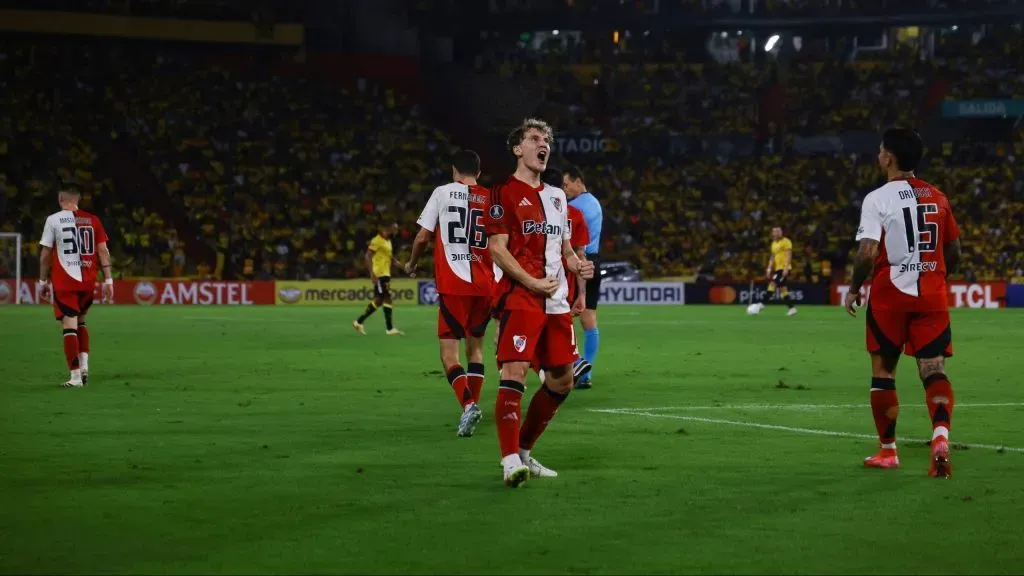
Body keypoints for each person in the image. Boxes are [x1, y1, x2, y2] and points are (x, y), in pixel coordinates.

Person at [845, 127, 961, 479]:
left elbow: (867, 253)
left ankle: (888, 451)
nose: (878, 155)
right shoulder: (939, 198)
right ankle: (940, 435)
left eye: (881, 151)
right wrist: (938, 277)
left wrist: (853, 287)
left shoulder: (877, 199)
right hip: (931, 294)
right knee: (934, 370)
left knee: (884, 373)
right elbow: (954, 251)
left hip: (890, 296)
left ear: (889, 158)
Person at [485, 119, 595, 488]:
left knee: (562, 381)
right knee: (513, 374)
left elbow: (563, 247)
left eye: (546, 139)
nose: (542, 144)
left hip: (557, 302)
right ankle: (508, 461)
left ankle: (525, 452)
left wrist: (578, 265)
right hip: (521, 296)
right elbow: (497, 249)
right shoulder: (501, 192)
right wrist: (530, 281)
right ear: (518, 149)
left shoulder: (557, 196)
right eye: (534, 139)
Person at [405, 150, 493, 437]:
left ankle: (468, 405)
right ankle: (472, 405)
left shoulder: (442, 193)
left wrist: (412, 263)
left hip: (454, 285)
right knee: (476, 349)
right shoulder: (491, 199)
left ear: (455, 171)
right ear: (478, 173)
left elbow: (422, 236)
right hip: (485, 285)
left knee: (448, 354)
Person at [37, 185, 114, 388]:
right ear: (78, 199)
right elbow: (103, 251)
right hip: (88, 282)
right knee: (81, 322)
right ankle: (85, 367)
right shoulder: (93, 220)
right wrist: (108, 281)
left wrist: (42, 280)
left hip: (65, 282)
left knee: (68, 325)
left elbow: (45, 254)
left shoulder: (53, 220)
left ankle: (76, 376)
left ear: (60, 199)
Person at [563, 166, 603, 388]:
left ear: (579, 181)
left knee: (560, 318)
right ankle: (585, 374)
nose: (565, 189)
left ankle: (576, 363)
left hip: (579, 263)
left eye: (567, 184)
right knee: (589, 320)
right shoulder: (594, 203)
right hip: (595, 262)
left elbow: (574, 245)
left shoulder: (572, 208)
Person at [353, 222, 404, 335]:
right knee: (387, 298)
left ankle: (358, 322)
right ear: (389, 228)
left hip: (385, 274)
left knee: (380, 300)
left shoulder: (388, 242)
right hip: (379, 274)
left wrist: (404, 267)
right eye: (395, 229)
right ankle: (389, 329)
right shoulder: (377, 240)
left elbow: (391, 259)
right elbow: (367, 255)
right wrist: (372, 273)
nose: (396, 231)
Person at [756, 226, 797, 316]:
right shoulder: (773, 244)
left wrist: (786, 268)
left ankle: (762, 304)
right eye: (774, 232)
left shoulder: (786, 241)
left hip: (784, 268)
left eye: (778, 231)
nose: (776, 233)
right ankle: (792, 308)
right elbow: (772, 257)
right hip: (777, 268)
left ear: (781, 233)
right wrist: (769, 269)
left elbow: (789, 255)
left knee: (773, 284)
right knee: (783, 289)